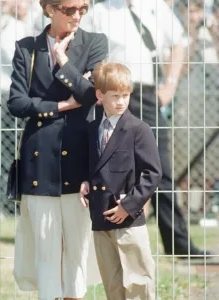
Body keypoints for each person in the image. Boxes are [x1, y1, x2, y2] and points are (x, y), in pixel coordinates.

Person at [81, 0, 211, 257]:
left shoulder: (155, 7)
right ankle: (98, 235)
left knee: (160, 169)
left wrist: (170, 85)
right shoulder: (98, 12)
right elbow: (86, 54)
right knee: (101, 167)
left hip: (146, 93)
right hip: (109, 95)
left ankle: (179, 244)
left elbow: (179, 44)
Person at [7, 0, 108, 298]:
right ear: (49, 8)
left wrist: (63, 59)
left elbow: (93, 95)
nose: (77, 15)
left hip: (80, 154)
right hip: (40, 158)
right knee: (46, 249)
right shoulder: (27, 47)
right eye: (69, 9)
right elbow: (15, 102)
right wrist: (61, 105)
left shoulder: (94, 43)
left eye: (83, 9)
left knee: (77, 248)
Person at [79, 62, 162, 300]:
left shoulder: (138, 129)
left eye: (125, 96)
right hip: (101, 218)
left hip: (128, 220)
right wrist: (85, 181)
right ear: (99, 95)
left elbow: (152, 173)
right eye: (115, 96)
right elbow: (94, 165)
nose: (121, 102)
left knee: (138, 282)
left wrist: (128, 206)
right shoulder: (92, 128)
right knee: (112, 284)